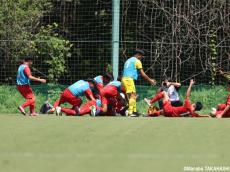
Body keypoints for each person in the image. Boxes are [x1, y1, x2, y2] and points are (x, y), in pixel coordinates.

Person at [121, 49, 156, 117]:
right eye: (141, 56)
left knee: (133, 95)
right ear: (138, 54)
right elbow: (142, 74)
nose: (141, 58)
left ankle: (134, 112)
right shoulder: (137, 61)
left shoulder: (128, 60)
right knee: (132, 96)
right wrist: (150, 80)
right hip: (129, 79)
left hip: (124, 79)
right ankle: (130, 112)